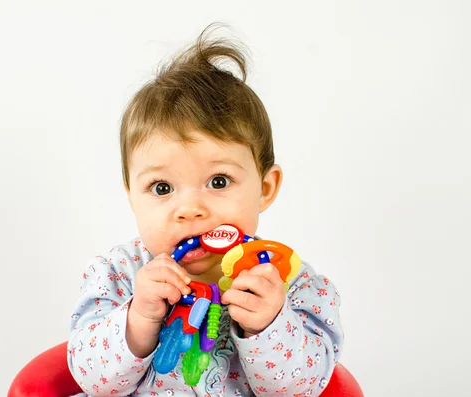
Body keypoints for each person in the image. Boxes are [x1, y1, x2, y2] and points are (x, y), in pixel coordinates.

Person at [67, 24, 344, 397]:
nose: (191, 209)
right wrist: (138, 320)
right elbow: (89, 378)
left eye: (218, 181)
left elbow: (304, 389)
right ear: (132, 196)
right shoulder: (118, 274)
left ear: (265, 188)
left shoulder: (288, 282)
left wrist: (269, 326)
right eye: (162, 188)